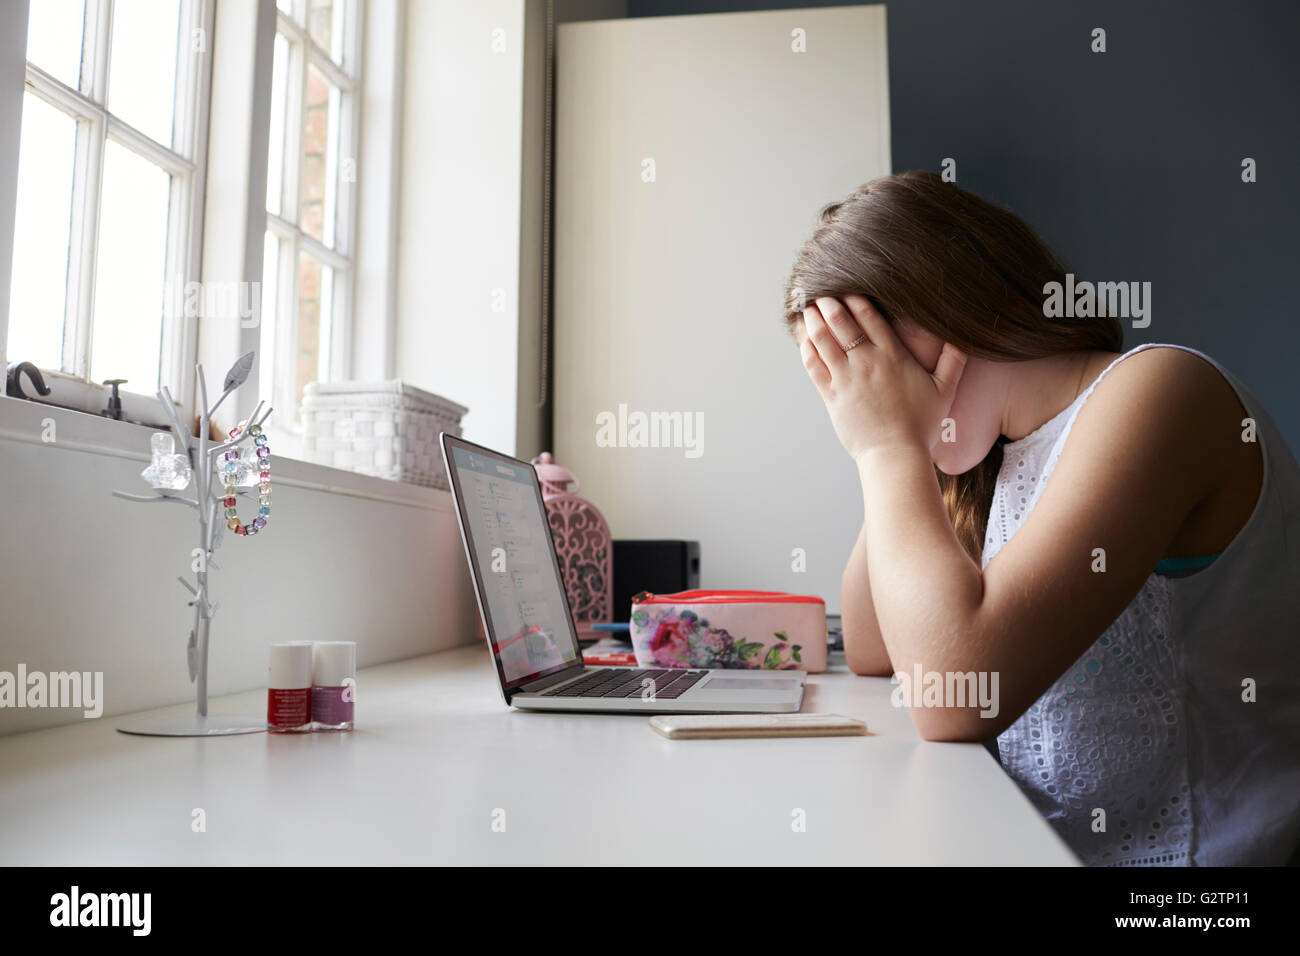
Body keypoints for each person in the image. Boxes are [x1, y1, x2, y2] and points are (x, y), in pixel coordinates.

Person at [784, 170, 1300, 866]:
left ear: (948, 298)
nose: (856, 378)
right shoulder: (987, 458)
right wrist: (895, 446)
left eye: (859, 348)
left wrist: (888, 446)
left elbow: (953, 695)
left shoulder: (1159, 392)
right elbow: (877, 649)